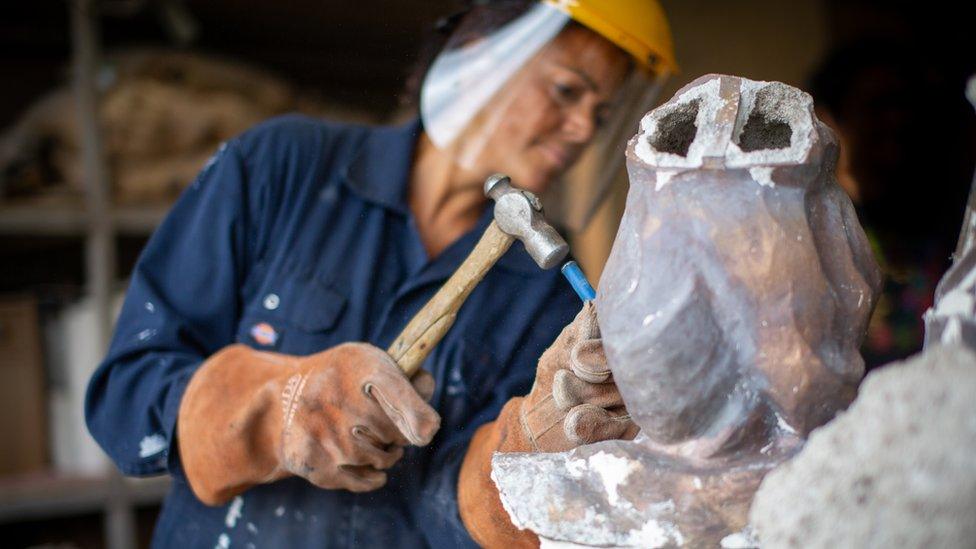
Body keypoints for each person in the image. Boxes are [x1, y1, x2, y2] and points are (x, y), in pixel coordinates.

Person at [84, 1, 677, 547]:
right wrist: (276, 409)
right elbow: (127, 403)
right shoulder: (281, 169)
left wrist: (523, 451)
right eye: (566, 90)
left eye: (599, 114)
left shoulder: (540, 289)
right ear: (478, 58)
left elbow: (443, 509)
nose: (581, 130)